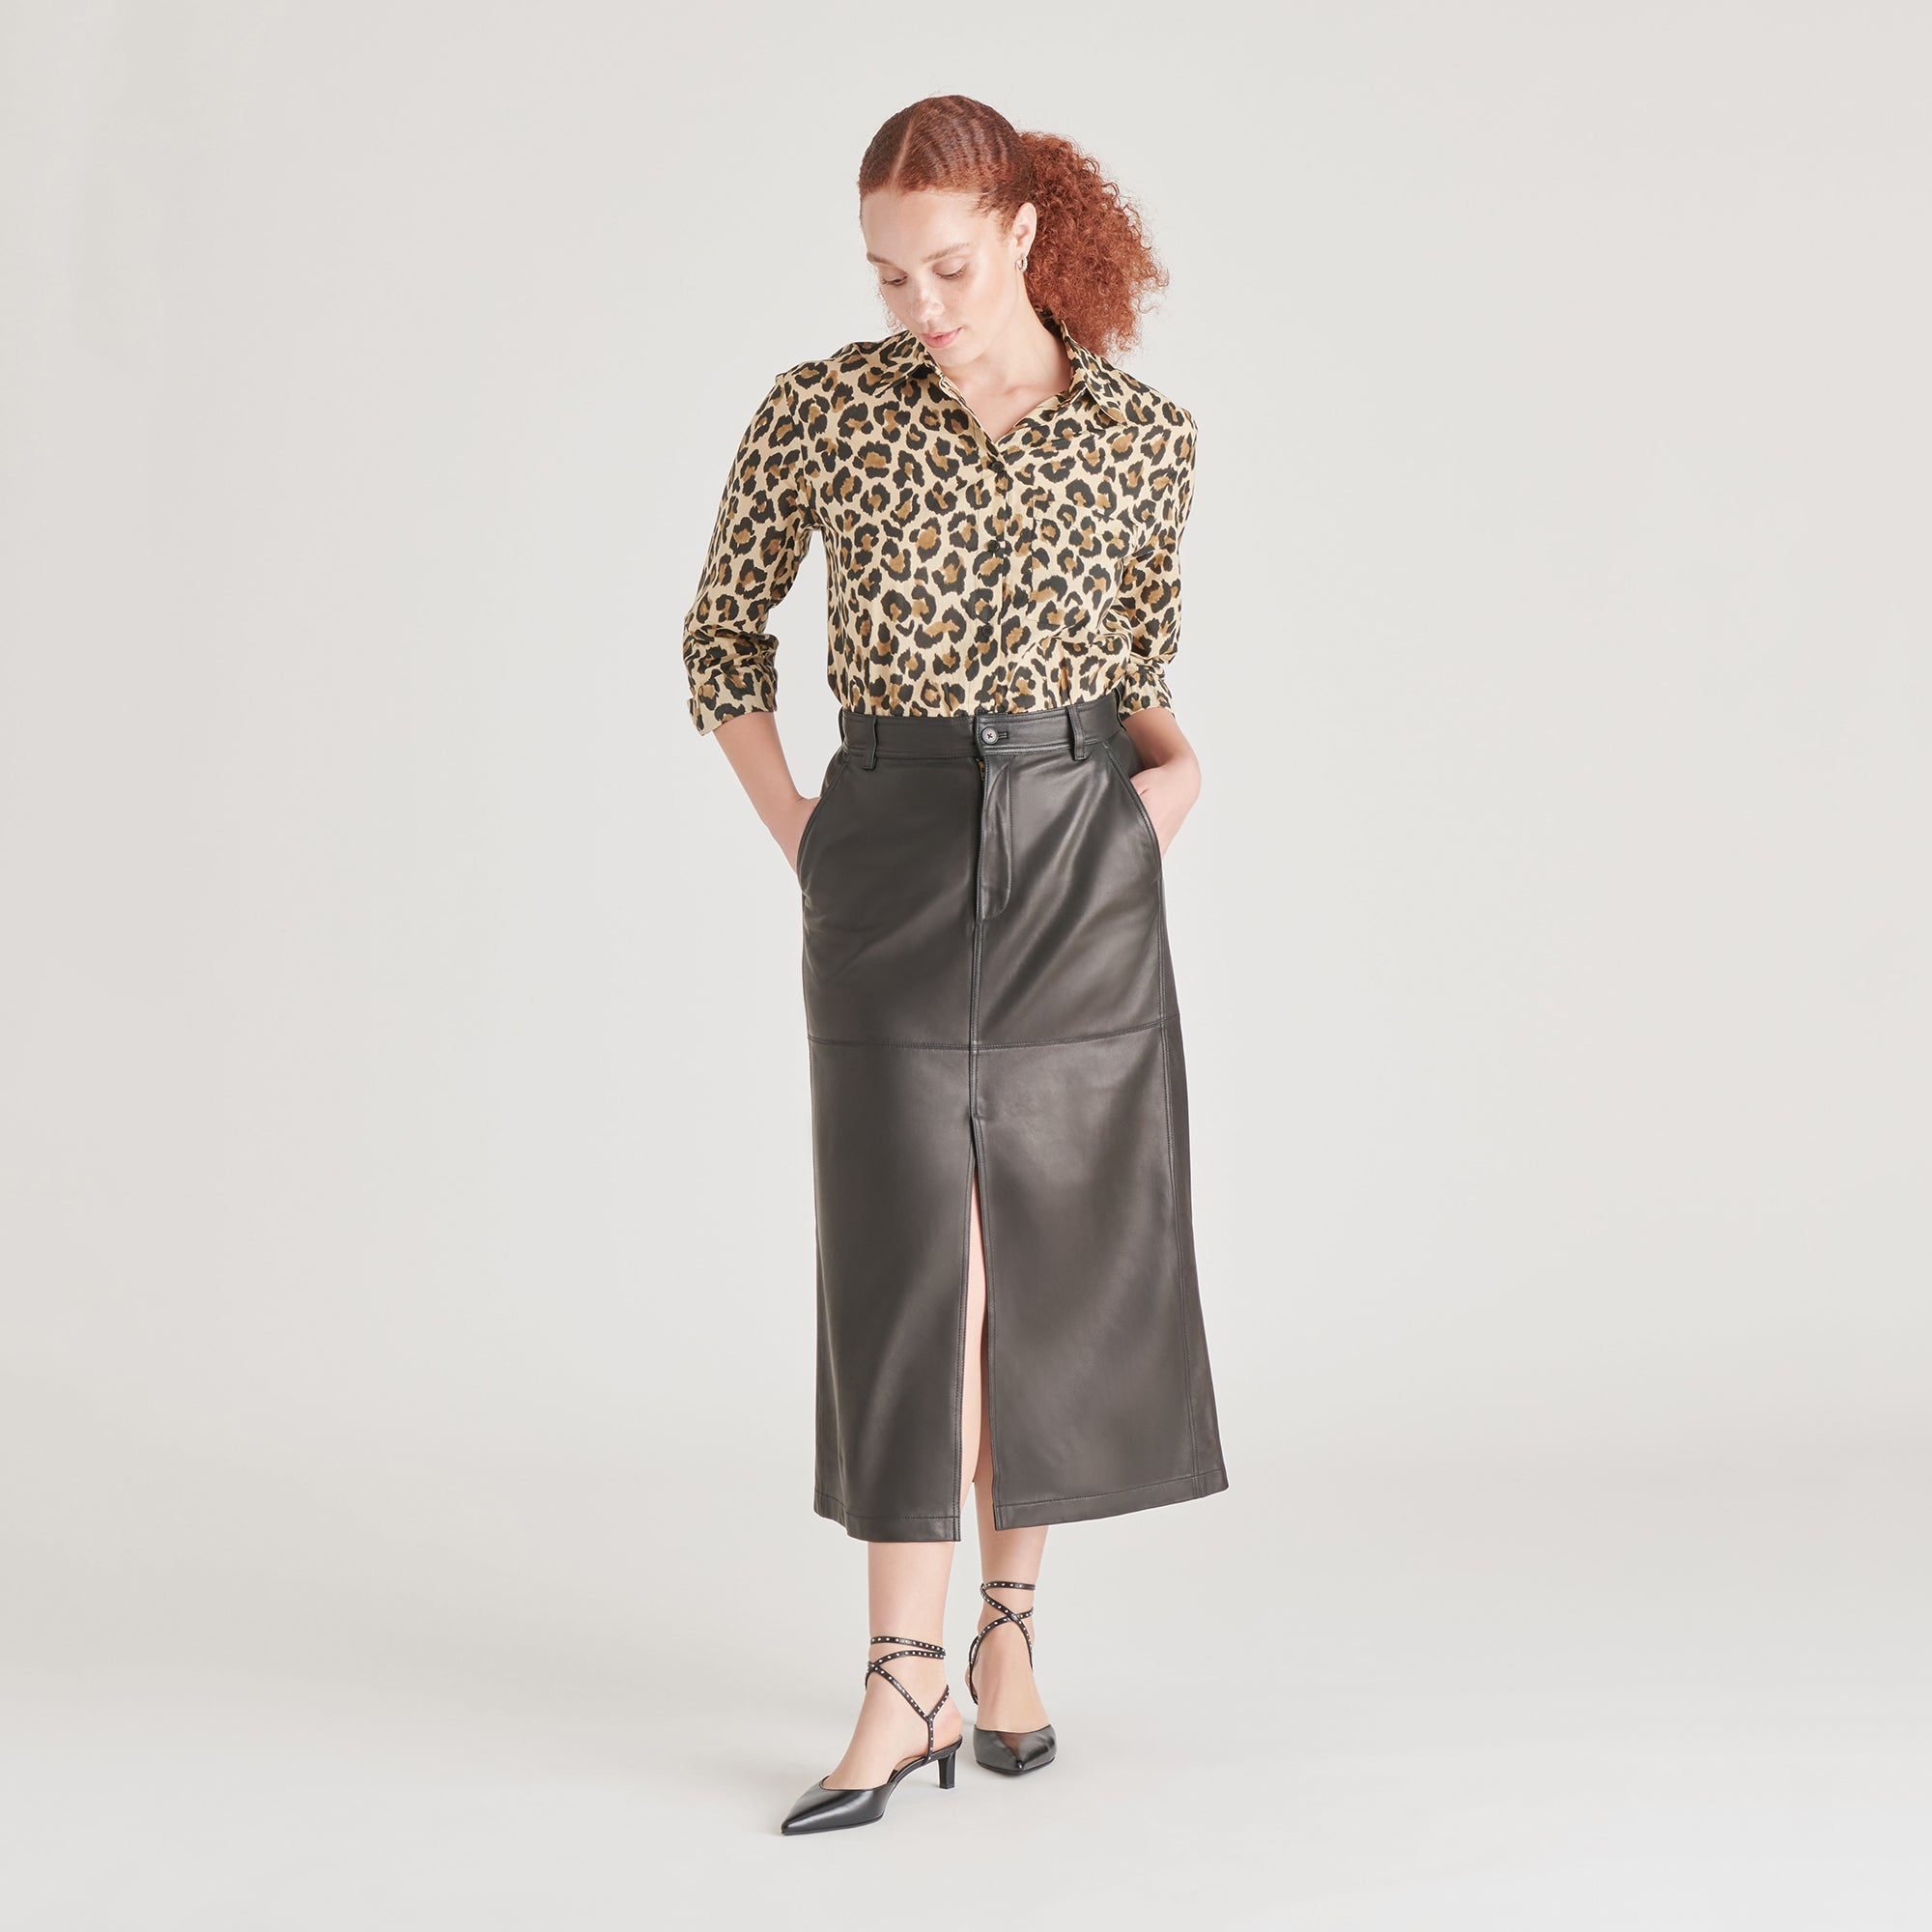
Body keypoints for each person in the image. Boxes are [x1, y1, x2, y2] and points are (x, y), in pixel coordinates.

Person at [679, 94, 1229, 1836]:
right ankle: (896, 1676)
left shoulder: (1146, 438)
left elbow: (1142, 676)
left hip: (1080, 861)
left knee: (1045, 1261)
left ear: (1025, 235)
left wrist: (1165, 798)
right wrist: (808, 837)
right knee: (921, 1263)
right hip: (894, 850)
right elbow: (720, 636)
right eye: (886, 273)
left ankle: (1002, 1650)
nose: (916, 304)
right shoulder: (826, 410)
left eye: (947, 267)